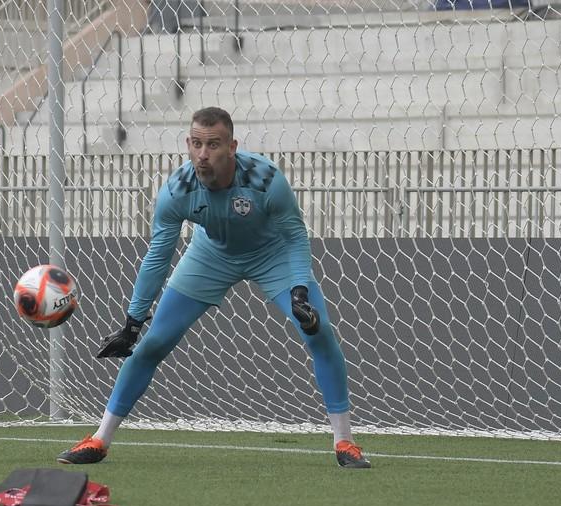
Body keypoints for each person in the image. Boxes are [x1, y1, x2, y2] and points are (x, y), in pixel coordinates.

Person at [56, 107, 371, 469]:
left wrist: (299, 291)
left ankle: (344, 443)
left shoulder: (266, 180)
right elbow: (158, 256)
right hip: (210, 255)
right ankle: (99, 439)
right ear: (188, 144)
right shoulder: (177, 190)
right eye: (196, 144)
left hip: (272, 255)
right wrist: (132, 322)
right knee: (152, 343)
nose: (203, 155)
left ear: (232, 147)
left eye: (213, 145)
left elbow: (295, 236)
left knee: (320, 333)